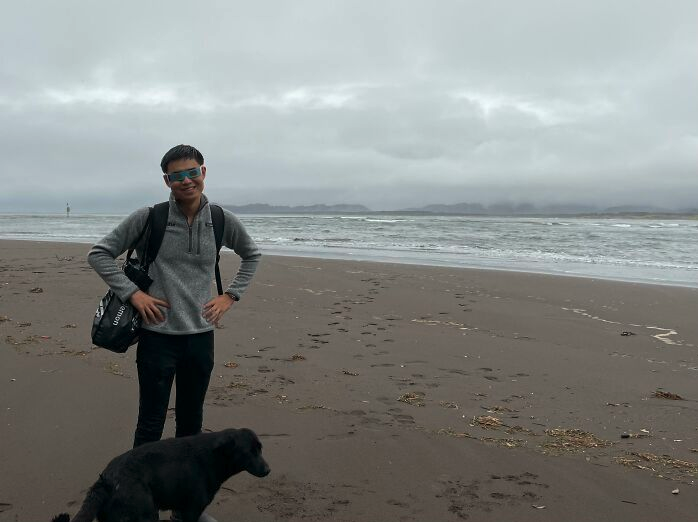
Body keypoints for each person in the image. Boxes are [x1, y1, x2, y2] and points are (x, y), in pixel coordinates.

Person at [88, 144, 261, 451]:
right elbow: (99, 254)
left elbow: (252, 255)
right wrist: (135, 294)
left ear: (203, 172)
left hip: (200, 337)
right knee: (151, 423)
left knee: (191, 422)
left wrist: (230, 296)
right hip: (157, 337)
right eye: (177, 175)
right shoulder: (150, 217)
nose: (186, 180)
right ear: (167, 180)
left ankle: (184, 488)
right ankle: (142, 489)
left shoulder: (221, 220)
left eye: (192, 172)